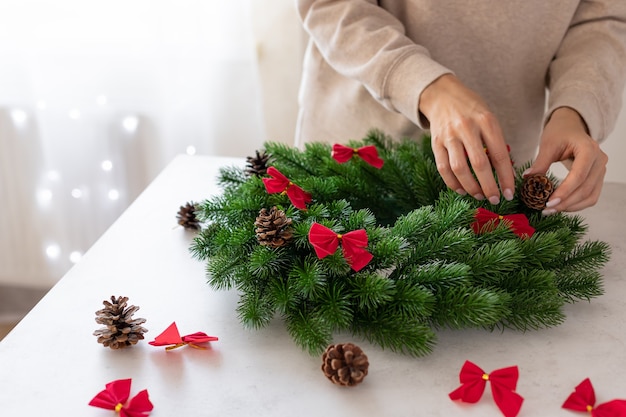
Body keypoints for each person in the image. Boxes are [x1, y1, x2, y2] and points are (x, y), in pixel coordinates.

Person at [294, 1, 626, 214]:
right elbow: (332, 5)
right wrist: (428, 88)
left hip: (494, 180)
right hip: (357, 156)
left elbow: (602, 18)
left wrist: (575, 111)